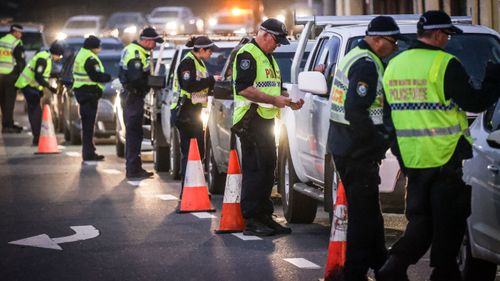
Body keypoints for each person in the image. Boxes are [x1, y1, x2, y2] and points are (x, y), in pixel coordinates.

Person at [378, 11, 500, 281]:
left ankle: (394, 266)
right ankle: (444, 273)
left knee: (422, 221)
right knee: (450, 222)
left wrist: (400, 152)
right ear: (436, 34)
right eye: (446, 35)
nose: (447, 40)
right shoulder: (445, 64)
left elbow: (388, 117)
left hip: (413, 159)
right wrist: (493, 79)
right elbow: (475, 102)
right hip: (445, 157)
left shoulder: (394, 65)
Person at [326, 16, 403, 281]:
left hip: (345, 144)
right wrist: (378, 139)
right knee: (363, 216)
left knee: (370, 213)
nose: (394, 48)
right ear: (378, 39)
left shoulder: (355, 55)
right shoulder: (366, 65)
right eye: (392, 43)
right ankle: (354, 273)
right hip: (356, 150)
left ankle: (382, 265)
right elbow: (356, 110)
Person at [232, 18, 303, 236]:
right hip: (250, 119)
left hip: (265, 119)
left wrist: (288, 100)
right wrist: (274, 101)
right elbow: (244, 88)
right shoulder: (247, 54)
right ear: (265, 36)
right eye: (276, 40)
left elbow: (274, 87)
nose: (278, 45)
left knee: (268, 167)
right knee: (255, 168)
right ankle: (251, 218)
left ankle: (264, 214)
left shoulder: (268, 57)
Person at [174, 36, 221, 185]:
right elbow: (190, 85)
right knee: (190, 152)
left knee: (198, 151)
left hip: (194, 112)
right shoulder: (188, 63)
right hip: (186, 112)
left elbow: (202, 87)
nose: (211, 54)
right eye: (210, 51)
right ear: (201, 50)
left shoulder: (198, 62)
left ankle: (194, 187)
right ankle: (187, 188)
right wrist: (212, 79)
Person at [119, 27, 163, 179]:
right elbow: (136, 78)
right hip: (133, 96)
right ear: (146, 40)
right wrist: (150, 83)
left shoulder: (133, 50)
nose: (155, 46)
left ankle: (135, 168)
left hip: (132, 96)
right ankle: (133, 169)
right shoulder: (136, 53)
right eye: (154, 42)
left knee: (135, 133)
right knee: (133, 134)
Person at [15, 42, 64, 145]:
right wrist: (50, 87)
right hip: (27, 85)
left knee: (35, 111)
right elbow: (38, 76)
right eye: (59, 56)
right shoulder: (43, 59)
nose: (59, 58)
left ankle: (37, 136)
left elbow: (43, 75)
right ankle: (37, 137)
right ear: (55, 53)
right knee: (35, 111)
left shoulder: (46, 58)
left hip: (32, 86)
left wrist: (54, 77)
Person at [72, 36, 112, 162]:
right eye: (99, 46)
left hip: (83, 93)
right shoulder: (90, 58)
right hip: (88, 94)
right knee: (88, 126)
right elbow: (96, 76)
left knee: (87, 126)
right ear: (93, 47)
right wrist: (108, 77)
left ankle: (89, 151)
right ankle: (89, 153)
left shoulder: (81, 54)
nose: (100, 49)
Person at [0, 24, 25, 133]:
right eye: (19, 32)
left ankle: (7, 123)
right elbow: (20, 61)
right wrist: (21, 74)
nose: (21, 35)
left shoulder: (1, 41)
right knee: (9, 101)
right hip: (10, 75)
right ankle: (7, 126)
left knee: (2, 100)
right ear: (14, 32)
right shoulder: (16, 43)